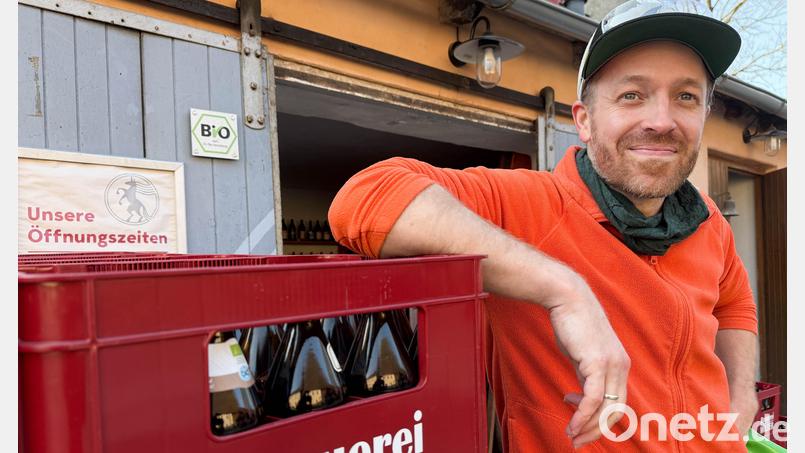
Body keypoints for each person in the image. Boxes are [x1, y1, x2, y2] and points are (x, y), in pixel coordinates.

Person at [328, 0, 759, 451]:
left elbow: (734, 304)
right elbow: (366, 197)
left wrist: (741, 391)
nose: (661, 121)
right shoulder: (528, 204)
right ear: (585, 121)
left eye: (686, 97)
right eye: (632, 95)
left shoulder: (707, 219)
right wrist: (565, 292)